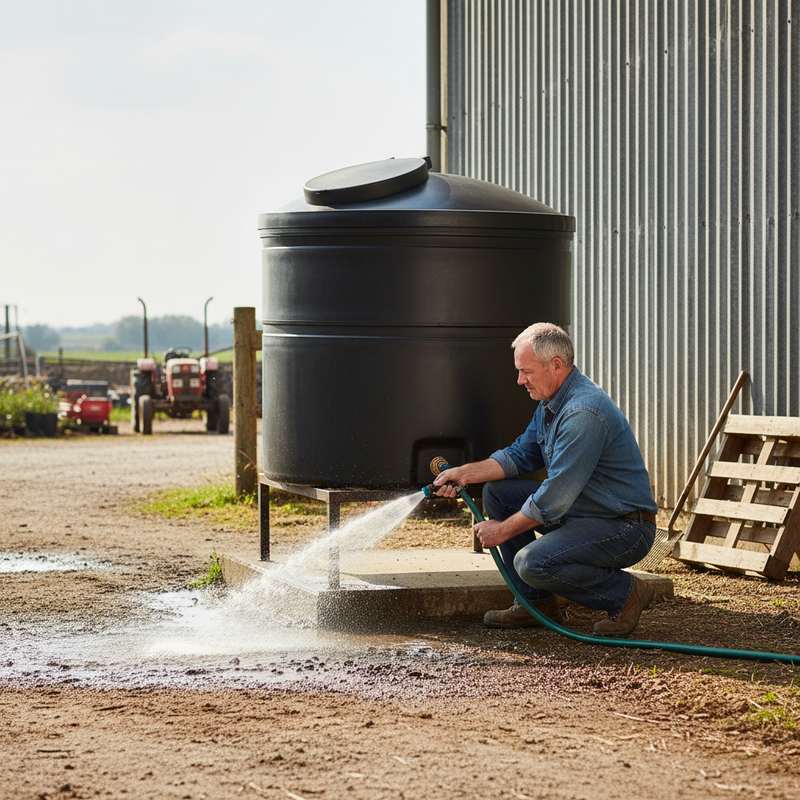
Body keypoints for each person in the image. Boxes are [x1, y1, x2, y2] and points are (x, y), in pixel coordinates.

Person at [432, 322, 658, 637]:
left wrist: (502, 530)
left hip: (623, 526)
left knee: (531, 563)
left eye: (526, 371)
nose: (519, 380)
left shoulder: (582, 413)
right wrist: (465, 473)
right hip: (584, 512)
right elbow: (519, 455)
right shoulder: (551, 403)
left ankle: (624, 593)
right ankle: (536, 604)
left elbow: (554, 499)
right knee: (498, 493)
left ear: (556, 366)